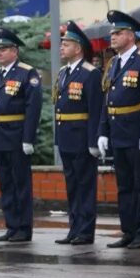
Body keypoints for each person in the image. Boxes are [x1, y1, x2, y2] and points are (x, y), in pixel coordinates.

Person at [97, 10, 140, 249]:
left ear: (131, 36)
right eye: (112, 33)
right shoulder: (113, 63)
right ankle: (128, 231)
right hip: (118, 132)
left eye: (118, 33)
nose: (113, 37)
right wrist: (103, 130)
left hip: (136, 132)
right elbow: (107, 99)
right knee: (124, 186)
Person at [0, 27, 42, 243]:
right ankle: (11, 226)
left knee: (20, 184)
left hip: (17, 138)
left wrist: (28, 138)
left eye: (4, 49)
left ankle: (24, 229)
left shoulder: (27, 73)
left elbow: (32, 108)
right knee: (6, 184)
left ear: (14, 51)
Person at [53, 21, 103, 245]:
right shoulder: (64, 73)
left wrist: (93, 140)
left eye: (67, 44)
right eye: (62, 43)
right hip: (66, 137)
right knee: (72, 186)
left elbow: (95, 109)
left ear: (79, 48)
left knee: (85, 185)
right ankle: (74, 228)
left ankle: (85, 230)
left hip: (82, 138)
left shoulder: (90, 74)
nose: (62, 47)